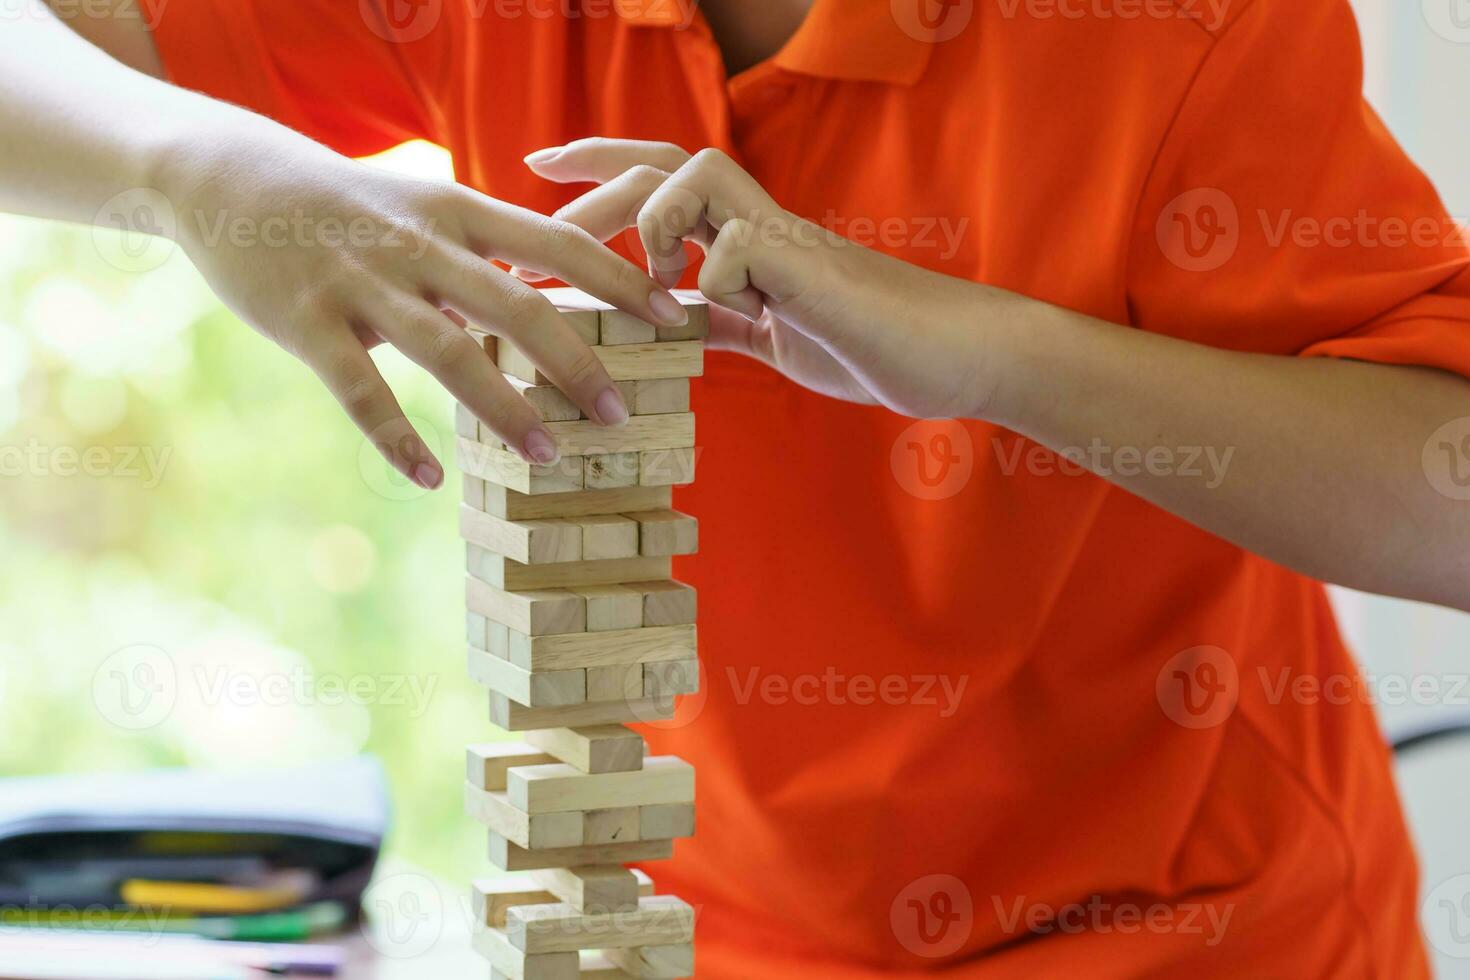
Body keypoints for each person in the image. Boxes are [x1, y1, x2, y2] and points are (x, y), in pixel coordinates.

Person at [6, 0, 1469, 975]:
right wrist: (201, 164)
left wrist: (999, 353)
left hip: (1188, 934)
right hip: (696, 924)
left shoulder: (1179, 31)